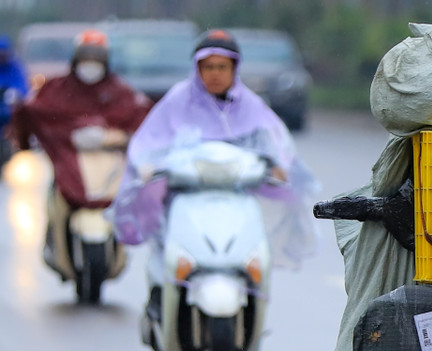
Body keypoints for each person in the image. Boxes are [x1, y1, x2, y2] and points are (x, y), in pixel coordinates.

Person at [108, 29, 319, 317]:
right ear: (197, 69)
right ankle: (160, 292)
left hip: (235, 194)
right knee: (163, 233)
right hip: (185, 194)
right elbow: (148, 141)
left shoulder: (250, 104)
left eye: (223, 67)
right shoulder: (177, 100)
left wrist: (279, 164)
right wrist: (148, 165)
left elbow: (275, 141)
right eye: (208, 67)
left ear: (235, 69)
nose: (215, 74)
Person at [10, 29, 152, 271]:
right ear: (76, 58)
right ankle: (55, 241)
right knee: (56, 200)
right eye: (86, 57)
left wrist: (112, 137)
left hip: (107, 167)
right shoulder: (57, 88)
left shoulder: (120, 91)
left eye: (96, 57)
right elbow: (34, 112)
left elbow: (141, 117)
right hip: (69, 163)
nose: (91, 63)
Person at [0, 34, 29, 165]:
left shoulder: (14, 67)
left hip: (10, 115)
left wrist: (15, 94)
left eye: (3, 53)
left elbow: (23, 87)